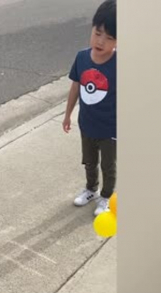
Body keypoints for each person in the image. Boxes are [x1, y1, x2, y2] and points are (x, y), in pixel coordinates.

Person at [63, 0, 116, 216]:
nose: (101, 41)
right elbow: (76, 86)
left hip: (111, 129)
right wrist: (68, 115)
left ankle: (106, 196)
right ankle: (91, 189)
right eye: (98, 32)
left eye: (110, 37)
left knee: (108, 166)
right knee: (89, 161)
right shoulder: (82, 57)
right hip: (87, 124)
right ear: (92, 28)